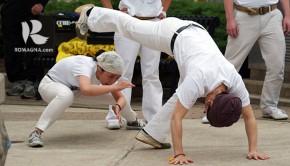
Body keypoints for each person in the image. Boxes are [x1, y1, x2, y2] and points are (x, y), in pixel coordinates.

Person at [75, 6, 270, 164]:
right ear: (210, 99)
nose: (203, 110)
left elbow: (249, 117)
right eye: (206, 109)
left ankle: (153, 134)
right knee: (131, 28)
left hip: (194, 41)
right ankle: (91, 14)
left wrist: (253, 150)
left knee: (181, 96)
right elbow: (177, 117)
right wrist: (179, 154)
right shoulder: (197, 79)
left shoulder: (234, 81)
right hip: (172, 33)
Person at [28, 51, 145, 147]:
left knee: (109, 96)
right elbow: (86, 90)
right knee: (66, 95)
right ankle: (36, 132)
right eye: (111, 76)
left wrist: (118, 106)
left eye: (116, 78)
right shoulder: (84, 66)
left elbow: (120, 98)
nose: (113, 80)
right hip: (49, 86)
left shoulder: (108, 73)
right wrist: (114, 87)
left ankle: (132, 121)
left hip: (75, 90)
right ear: (99, 69)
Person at [100, 0, 172, 130]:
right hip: (127, 21)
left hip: (153, 23)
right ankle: (115, 116)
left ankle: (154, 117)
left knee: (152, 74)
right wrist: (111, 12)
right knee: (121, 72)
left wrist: (164, 10)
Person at [223, 0, 290, 120]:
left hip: (272, 15)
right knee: (230, 65)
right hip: (244, 15)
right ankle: (218, 106)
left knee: (277, 65)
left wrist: (288, 15)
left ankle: (269, 106)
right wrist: (230, 18)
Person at [1, 0, 49, 99]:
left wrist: (41, 3)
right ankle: (17, 79)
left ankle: (32, 81)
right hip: (11, 8)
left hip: (32, 7)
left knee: (32, 46)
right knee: (11, 47)